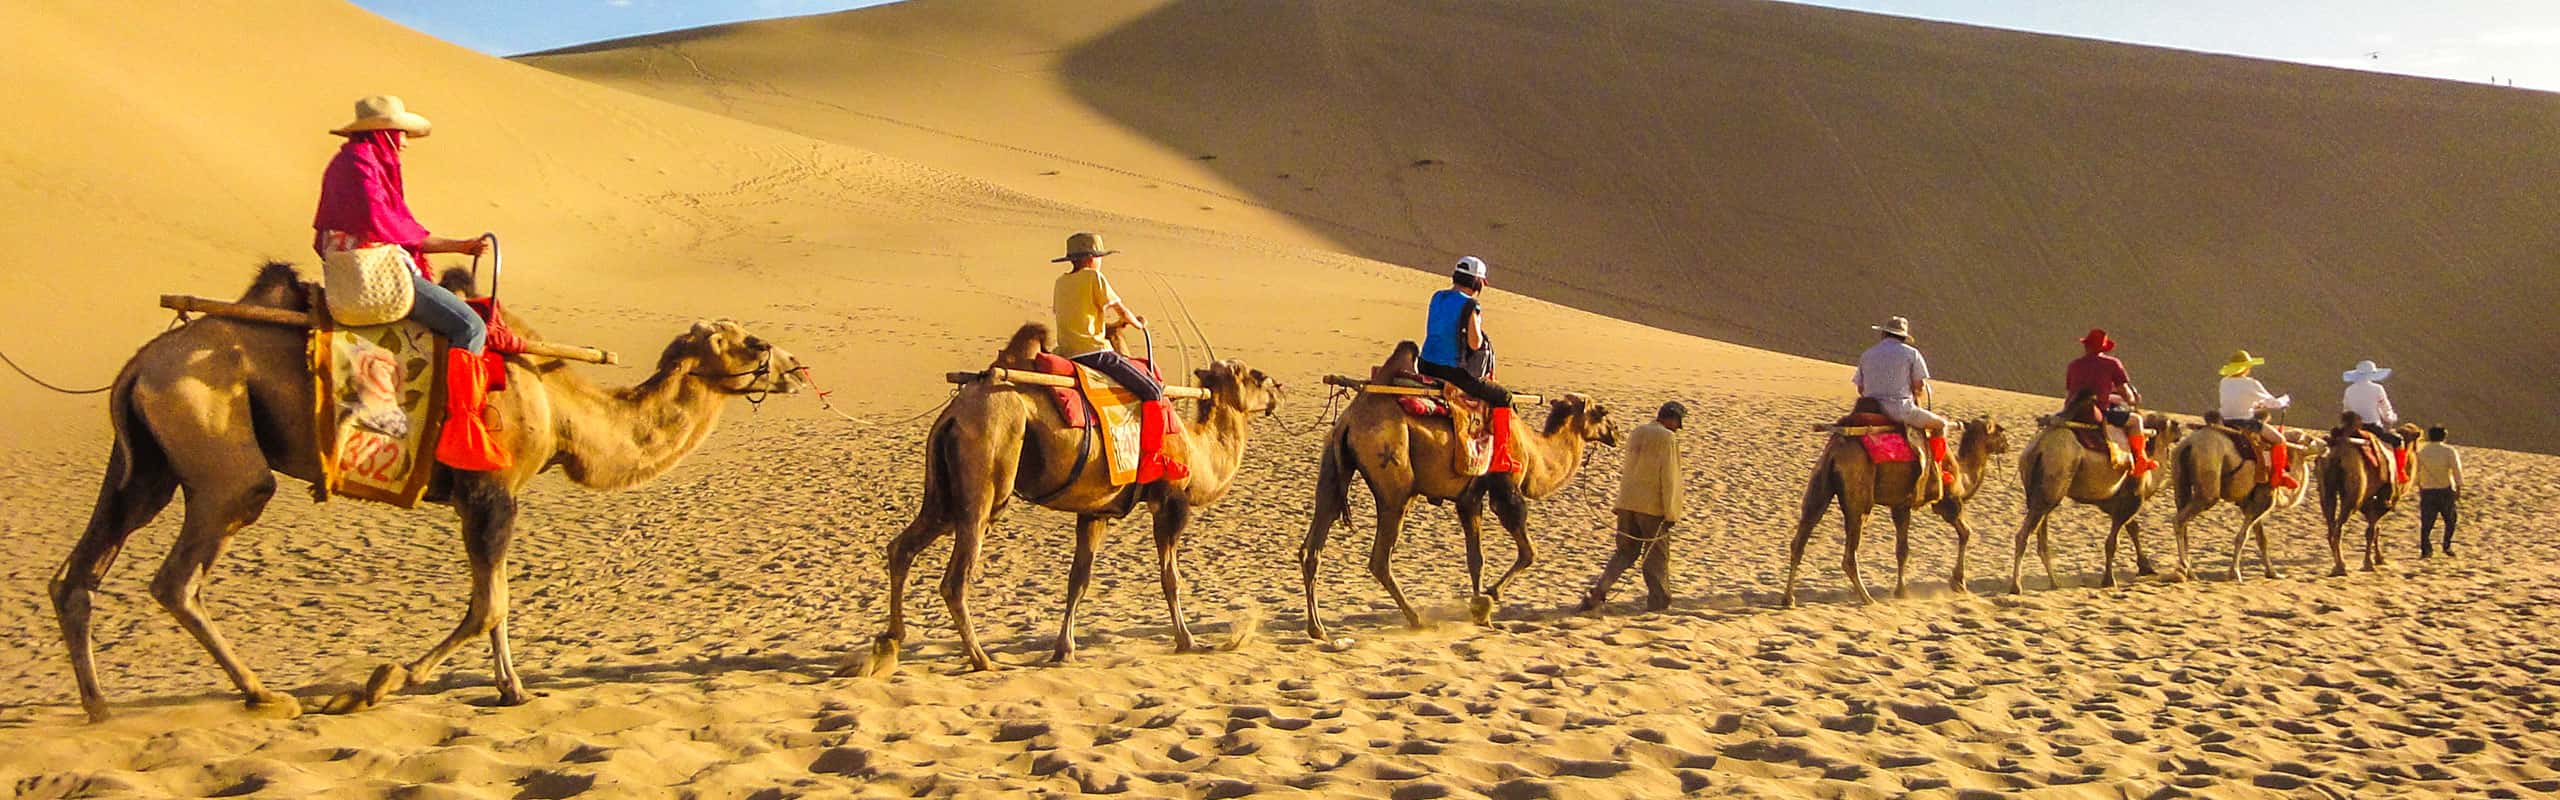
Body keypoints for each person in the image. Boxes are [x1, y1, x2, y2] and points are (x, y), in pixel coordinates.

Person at [312, 95, 507, 472]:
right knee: (470, 326)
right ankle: (459, 425)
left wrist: (461, 246)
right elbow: (392, 229)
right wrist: (456, 245)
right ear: (383, 134)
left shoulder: (350, 164)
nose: (404, 143)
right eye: (400, 134)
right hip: (376, 276)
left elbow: (399, 230)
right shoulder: (362, 166)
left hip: (354, 272)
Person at [1051, 232, 1186, 484]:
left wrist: (1114, 325)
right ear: (1090, 259)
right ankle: (1151, 459)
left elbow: (1078, 318)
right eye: (1099, 257)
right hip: (1094, 353)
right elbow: (1120, 309)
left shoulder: (1061, 283)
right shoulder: (1094, 277)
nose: (1100, 261)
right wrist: (1136, 323)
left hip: (1066, 352)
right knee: (1153, 391)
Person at [1583, 401, 1686, 612]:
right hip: (1652, 507)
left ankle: (1599, 592)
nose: (1678, 427)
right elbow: (1670, 477)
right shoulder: (1667, 438)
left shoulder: (1638, 431)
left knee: (1624, 553)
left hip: (1627, 503)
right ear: (1672, 419)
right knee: (1656, 558)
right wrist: (1671, 512)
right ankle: (1659, 603)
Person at [1418, 256, 1518, 473]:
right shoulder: (1470, 305)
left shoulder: (1438, 296)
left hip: (1426, 365)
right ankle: (1501, 457)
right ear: (1477, 282)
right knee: (1503, 397)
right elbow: (1474, 343)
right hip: (1452, 371)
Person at [1852, 316, 1951, 486]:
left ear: (1884, 334)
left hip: (1870, 409)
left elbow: (1860, 389)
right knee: (1941, 424)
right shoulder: (1911, 354)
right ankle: (1936, 470)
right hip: (1899, 410)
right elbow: (1919, 386)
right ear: (1903, 337)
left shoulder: (1867, 354)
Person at [2064, 328, 2154, 474]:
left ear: (2086, 346)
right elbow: (2125, 391)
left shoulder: (2074, 365)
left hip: (2071, 410)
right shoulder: (2112, 364)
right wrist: (2132, 400)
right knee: (2136, 420)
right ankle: (2140, 460)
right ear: (2104, 348)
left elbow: (2070, 390)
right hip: (2099, 411)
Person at [2215, 350, 2297, 489]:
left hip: (2224, 421)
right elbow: (2273, 403)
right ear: (2246, 368)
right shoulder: (2251, 383)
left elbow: (2236, 401)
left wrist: (2256, 405)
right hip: (2245, 422)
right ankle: (2279, 475)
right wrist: (2284, 400)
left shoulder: (2224, 381)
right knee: (2280, 439)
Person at [2341, 359, 2411, 482]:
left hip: (2352, 428)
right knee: (2398, 441)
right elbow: (2385, 408)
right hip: (2372, 427)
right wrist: (2391, 418)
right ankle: (2400, 473)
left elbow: (2346, 410)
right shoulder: (2377, 388)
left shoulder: (2349, 390)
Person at [2415, 426, 2464, 557]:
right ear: (2444, 437)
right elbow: (2456, 469)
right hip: (2445, 490)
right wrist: (2459, 487)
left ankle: (2426, 549)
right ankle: (2446, 545)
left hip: (2427, 490)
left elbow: (2417, 472)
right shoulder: (2449, 451)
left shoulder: (2422, 452)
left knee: (2426, 523)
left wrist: (2420, 486)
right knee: (2450, 520)